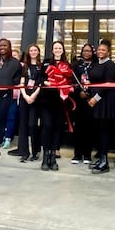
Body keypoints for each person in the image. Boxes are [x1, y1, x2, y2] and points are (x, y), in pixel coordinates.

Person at [86, 40, 115, 174]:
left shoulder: (111, 65)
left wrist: (95, 98)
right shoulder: (96, 64)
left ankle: (105, 161)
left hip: (106, 102)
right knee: (99, 131)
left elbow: (108, 84)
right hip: (96, 101)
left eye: (103, 50)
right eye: (99, 50)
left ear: (108, 52)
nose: (100, 52)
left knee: (105, 131)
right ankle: (101, 158)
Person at [38, 41, 72, 171]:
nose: (57, 50)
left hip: (61, 102)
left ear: (63, 50)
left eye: (60, 48)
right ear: (52, 50)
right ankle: (45, 156)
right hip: (47, 100)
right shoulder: (46, 62)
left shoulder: (67, 65)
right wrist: (47, 82)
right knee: (46, 127)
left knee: (57, 128)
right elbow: (39, 78)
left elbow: (71, 80)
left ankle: (53, 155)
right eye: (55, 48)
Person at [10, 44, 42, 162]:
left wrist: (33, 96)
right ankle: (24, 151)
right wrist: (25, 95)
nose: (33, 52)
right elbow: (22, 82)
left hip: (36, 98)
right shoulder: (24, 66)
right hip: (25, 97)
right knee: (23, 125)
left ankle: (35, 151)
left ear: (38, 52)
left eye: (35, 50)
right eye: (31, 50)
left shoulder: (41, 66)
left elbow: (41, 83)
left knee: (32, 124)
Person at [70, 43, 95, 164]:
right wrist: (78, 92)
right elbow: (72, 82)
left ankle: (87, 155)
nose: (86, 53)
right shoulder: (76, 65)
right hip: (79, 101)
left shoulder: (96, 65)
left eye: (89, 51)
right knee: (78, 128)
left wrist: (90, 94)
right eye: (84, 51)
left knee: (89, 129)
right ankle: (77, 155)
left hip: (91, 101)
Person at [2, 49, 22, 150]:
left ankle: (8, 138)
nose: (13, 58)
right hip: (4, 96)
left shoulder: (22, 68)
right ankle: (1, 136)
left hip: (15, 98)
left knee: (11, 118)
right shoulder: (5, 67)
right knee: (2, 117)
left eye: (15, 56)